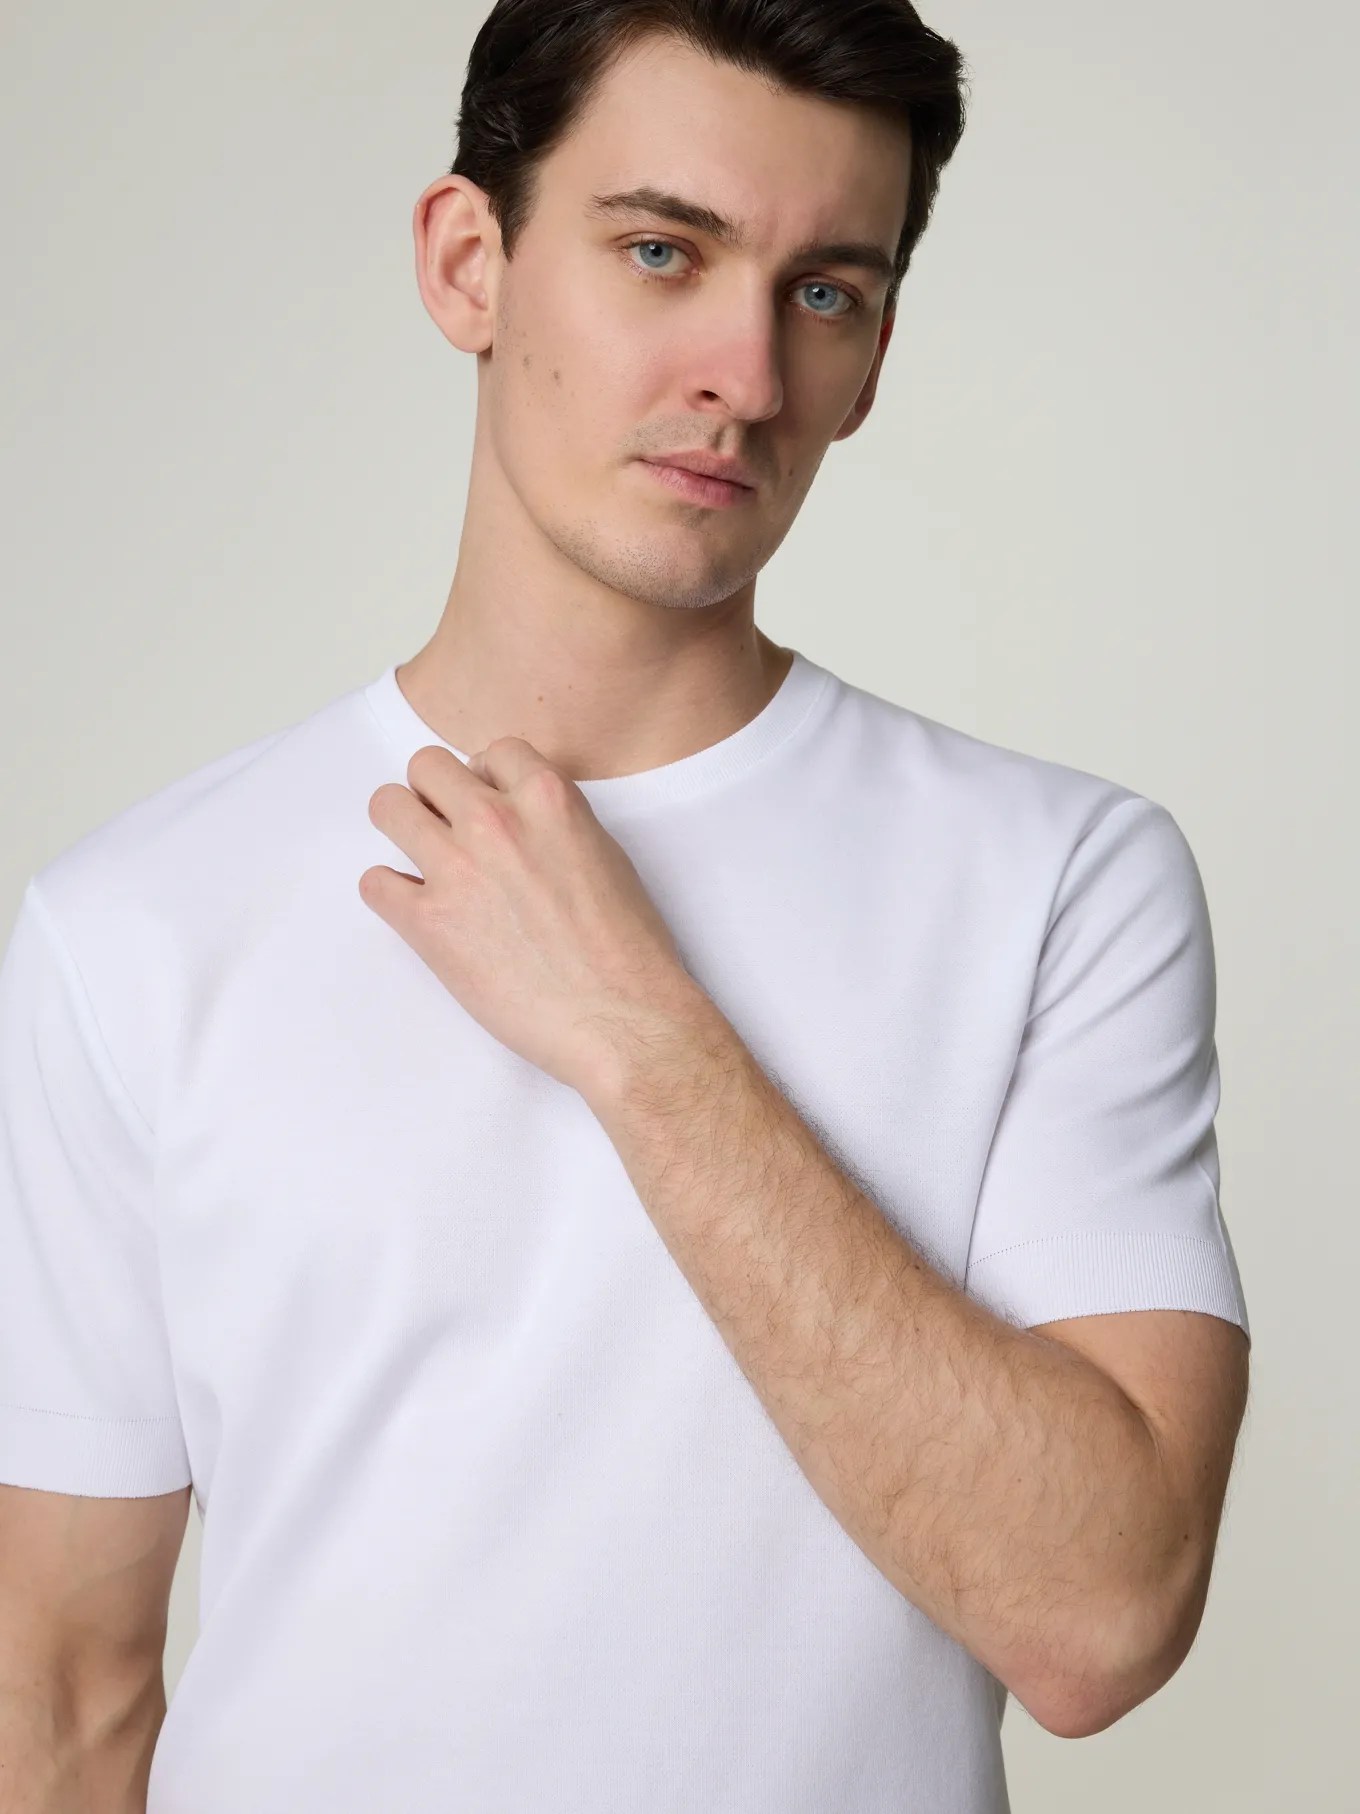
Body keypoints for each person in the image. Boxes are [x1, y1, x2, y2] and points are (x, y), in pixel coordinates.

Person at [0, 2, 1251, 1810]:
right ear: (469, 262)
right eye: (664, 251)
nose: (745, 371)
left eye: (823, 291)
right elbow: (63, 1700)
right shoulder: (131, 926)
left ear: (874, 359)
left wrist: (639, 1037)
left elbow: (1102, 1615)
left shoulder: (1060, 882)